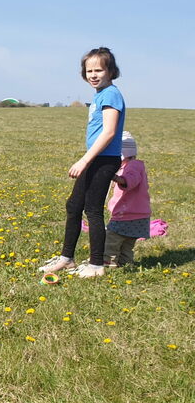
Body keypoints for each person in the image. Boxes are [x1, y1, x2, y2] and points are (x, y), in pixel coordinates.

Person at [39, 47, 126, 278]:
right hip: (96, 159)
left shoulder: (111, 94)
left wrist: (85, 160)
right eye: (89, 71)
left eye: (99, 70)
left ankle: (97, 265)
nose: (93, 75)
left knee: (93, 210)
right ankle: (67, 259)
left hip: (103, 160)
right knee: (74, 206)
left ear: (111, 71)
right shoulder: (100, 95)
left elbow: (109, 132)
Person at [104, 131, 150, 266]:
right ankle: (125, 262)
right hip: (139, 217)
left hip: (126, 215)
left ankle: (108, 262)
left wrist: (116, 178)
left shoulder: (133, 166)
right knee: (127, 244)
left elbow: (131, 180)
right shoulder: (134, 165)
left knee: (111, 240)